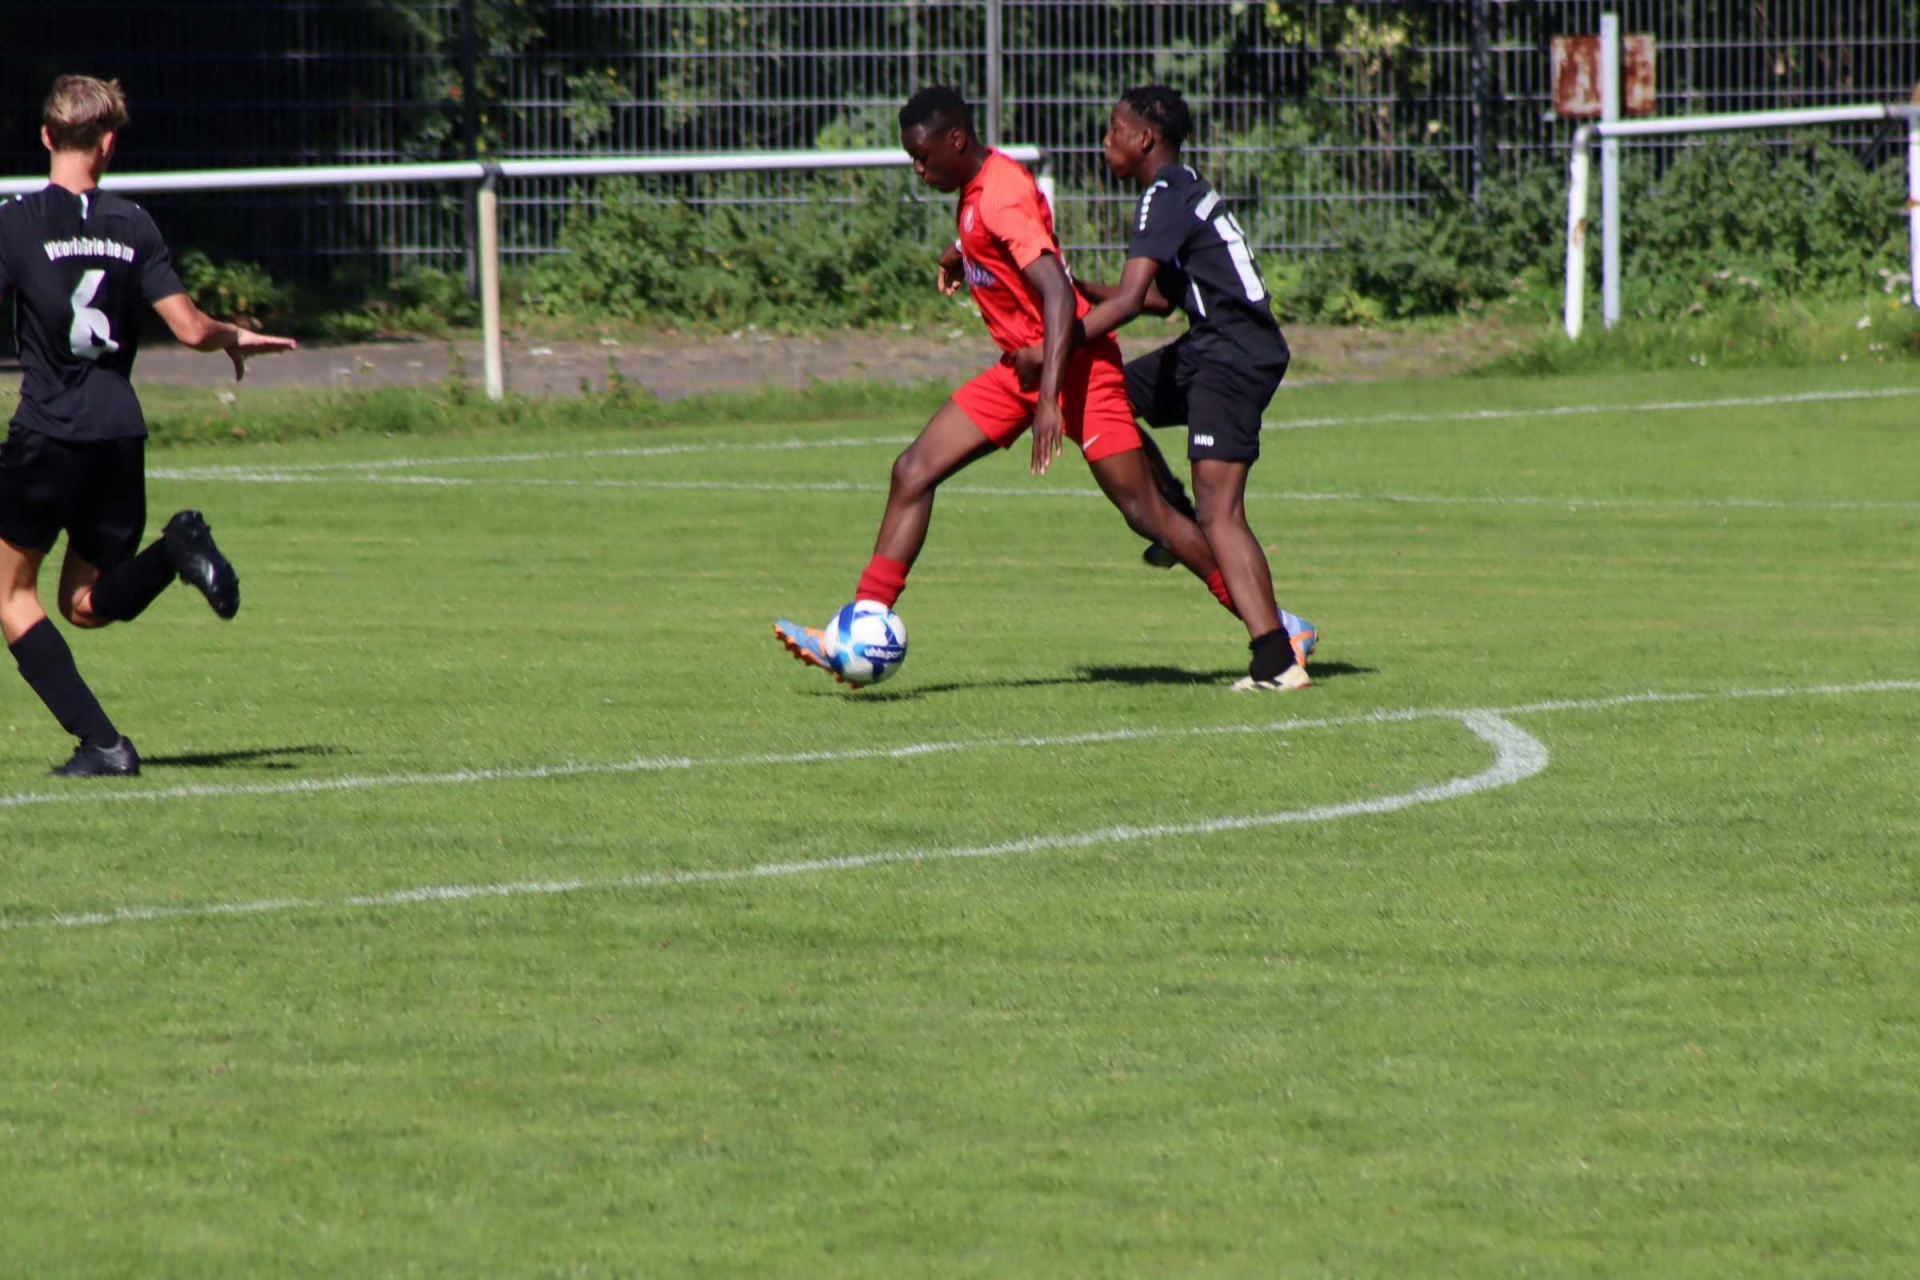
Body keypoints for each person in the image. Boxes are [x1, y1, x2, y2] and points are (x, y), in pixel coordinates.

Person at [775, 86, 1303, 688]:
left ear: (956, 140)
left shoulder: (1003, 193)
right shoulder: (980, 191)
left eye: (922, 156)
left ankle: (1276, 630)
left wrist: (1050, 397)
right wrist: (962, 253)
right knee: (913, 470)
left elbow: (1057, 293)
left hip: (1070, 367)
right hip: (1021, 369)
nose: (918, 168)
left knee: (1151, 516)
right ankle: (865, 622)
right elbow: (1019, 250)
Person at [0, 76, 297, 777]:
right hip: (118, 437)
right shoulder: (134, 224)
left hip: (48, 433)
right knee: (83, 604)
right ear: (108, 144)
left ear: (46, 136)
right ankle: (175, 551)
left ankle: (105, 746)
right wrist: (233, 336)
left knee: (11, 596)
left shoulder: (14, 222)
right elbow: (189, 328)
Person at [1014, 84, 1315, 692]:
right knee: (1112, 397)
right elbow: (1155, 300)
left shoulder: (1164, 192)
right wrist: (1076, 288)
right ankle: (1173, 512)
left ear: (1144, 138)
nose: (1106, 141)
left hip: (1232, 353)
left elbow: (1130, 302)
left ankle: (1276, 661)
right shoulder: (1179, 188)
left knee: (1221, 513)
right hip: (1213, 345)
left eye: (1114, 130)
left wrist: (1051, 348)